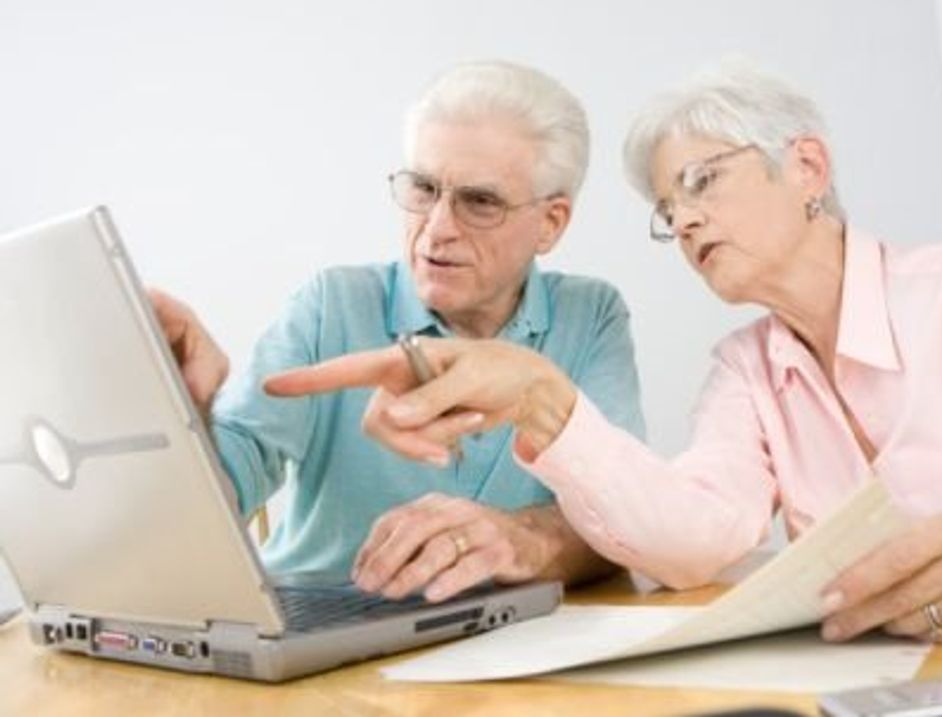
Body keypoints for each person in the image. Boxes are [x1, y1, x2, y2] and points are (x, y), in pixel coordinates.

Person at [264, 62, 942, 651]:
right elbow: (693, 542)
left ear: (807, 168)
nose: (685, 219)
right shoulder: (744, 367)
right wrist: (545, 402)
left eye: (701, 180)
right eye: (668, 210)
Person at [152, 60, 645, 603]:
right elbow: (210, 504)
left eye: (479, 202)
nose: (436, 229)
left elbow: (623, 514)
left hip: (502, 649)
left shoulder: (592, 315)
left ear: (551, 223)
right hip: (320, 625)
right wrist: (186, 417)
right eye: (423, 189)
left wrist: (514, 538)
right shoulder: (331, 305)